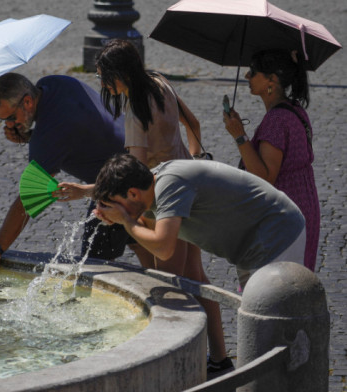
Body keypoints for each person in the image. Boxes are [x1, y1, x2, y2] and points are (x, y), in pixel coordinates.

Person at [55, 39, 231, 376]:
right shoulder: (160, 81)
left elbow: (134, 180)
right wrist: (194, 157)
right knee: (194, 275)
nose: (100, 79)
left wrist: (90, 194)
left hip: (164, 197)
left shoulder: (135, 109)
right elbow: (192, 122)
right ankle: (220, 357)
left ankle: (172, 362)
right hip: (189, 184)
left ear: (119, 74)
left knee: (165, 282)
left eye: (103, 74)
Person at [92, 154, 306, 378]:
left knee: (271, 327)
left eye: (117, 203)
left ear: (133, 193)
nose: (117, 209)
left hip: (277, 233)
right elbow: (145, 221)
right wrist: (87, 192)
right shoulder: (154, 181)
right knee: (262, 327)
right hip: (256, 242)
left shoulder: (171, 185)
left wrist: (126, 221)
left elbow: (163, 247)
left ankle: (291, 379)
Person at [0, 73, 126, 275]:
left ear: (27, 102)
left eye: (11, 118)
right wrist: (30, 136)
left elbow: (29, 200)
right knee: (146, 245)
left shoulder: (49, 137)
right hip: (137, 157)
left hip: (122, 182)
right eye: (2, 121)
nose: (9, 126)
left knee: (93, 270)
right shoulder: (52, 83)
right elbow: (68, 129)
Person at [223, 49, 320, 272]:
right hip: (303, 205)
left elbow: (265, 176)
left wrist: (240, 136)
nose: (247, 76)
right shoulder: (294, 109)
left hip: (284, 214)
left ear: (271, 81)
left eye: (254, 71)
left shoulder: (276, 120)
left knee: (276, 286)